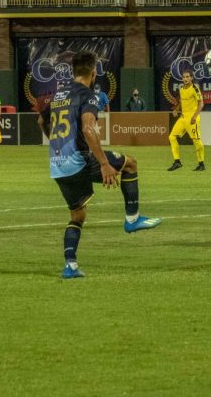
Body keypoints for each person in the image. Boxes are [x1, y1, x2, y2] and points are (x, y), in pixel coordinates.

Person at [38, 51, 161, 279]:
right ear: (93, 73)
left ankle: (70, 266)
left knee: (78, 216)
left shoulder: (57, 96)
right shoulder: (88, 95)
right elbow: (87, 128)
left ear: (73, 71)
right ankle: (132, 219)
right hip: (79, 160)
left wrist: (56, 143)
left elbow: (41, 120)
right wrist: (104, 164)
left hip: (57, 164)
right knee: (131, 164)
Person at [167, 70, 206, 172]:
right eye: (184, 77)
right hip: (183, 118)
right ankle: (177, 162)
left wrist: (194, 116)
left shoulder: (195, 88)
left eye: (187, 76)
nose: (185, 78)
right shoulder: (181, 89)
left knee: (196, 140)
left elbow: (201, 104)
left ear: (191, 78)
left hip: (192, 118)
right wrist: (176, 109)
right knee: (172, 136)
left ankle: (201, 163)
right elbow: (181, 101)